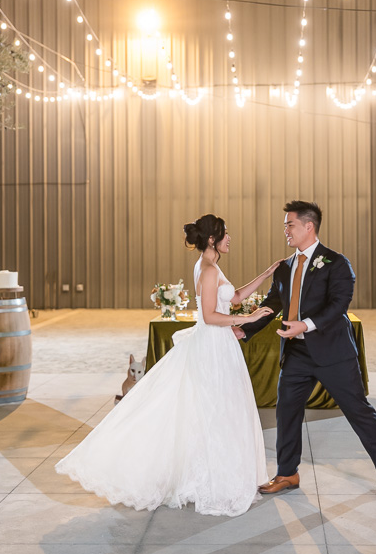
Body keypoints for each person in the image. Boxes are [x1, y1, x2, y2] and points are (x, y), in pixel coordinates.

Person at [56, 214, 279, 516]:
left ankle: (209, 475)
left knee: (213, 410)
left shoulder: (207, 265)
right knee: (217, 410)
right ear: (212, 239)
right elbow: (211, 316)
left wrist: (265, 275)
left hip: (218, 344)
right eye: (225, 234)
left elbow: (236, 297)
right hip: (214, 345)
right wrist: (249, 319)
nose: (230, 239)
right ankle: (212, 481)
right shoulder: (210, 269)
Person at [234, 200, 376, 499]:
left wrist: (304, 325)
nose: (285, 230)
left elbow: (338, 306)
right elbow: (273, 304)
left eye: (290, 224)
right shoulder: (284, 267)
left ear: (309, 226)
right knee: (287, 411)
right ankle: (287, 473)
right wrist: (245, 328)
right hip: (296, 353)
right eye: (285, 225)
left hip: (333, 354)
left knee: (359, 411)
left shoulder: (336, 263)